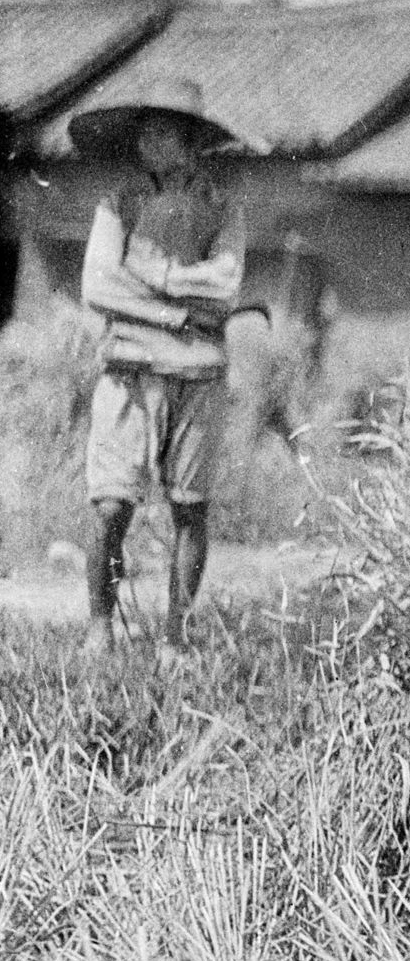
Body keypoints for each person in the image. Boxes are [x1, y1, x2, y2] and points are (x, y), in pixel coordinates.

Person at [68, 75, 254, 654]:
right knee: (111, 506)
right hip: (126, 369)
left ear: (192, 141)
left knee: (190, 511)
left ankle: (175, 635)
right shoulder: (118, 205)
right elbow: (99, 284)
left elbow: (223, 286)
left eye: (165, 133)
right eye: (143, 134)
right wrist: (175, 314)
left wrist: (155, 275)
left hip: (197, 374)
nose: (150, 144)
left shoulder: (222, 209)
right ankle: (100, 629)